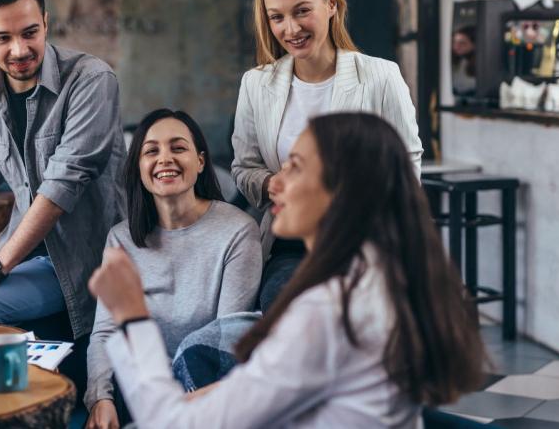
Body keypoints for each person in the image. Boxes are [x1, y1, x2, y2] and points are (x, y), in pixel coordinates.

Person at [89, 112, 485, 428]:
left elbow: (169, 420)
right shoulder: (378, 276)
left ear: (341, 189)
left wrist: (132, 315)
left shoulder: (328, 312)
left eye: (294, 167)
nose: (273, 185)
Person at [231, 0, 423, 311]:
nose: (291, 29)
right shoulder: (256, 85)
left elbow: (406, 164)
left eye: (302, 11)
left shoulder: (381, 77)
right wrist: (270, 183)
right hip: (291, 246)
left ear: (331, 4)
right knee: (287, 310)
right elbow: (244, 168)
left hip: (365, 239)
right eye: (277, 17)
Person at [0, 0, 127, 344]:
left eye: (30, 32)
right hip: (16, 259)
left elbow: (61, 186)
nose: (20, 50)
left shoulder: (92, 80)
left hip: (81, 260)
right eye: (2, 37)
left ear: (46, 22)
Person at [86, 109, 262, 429]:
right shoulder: (121, 238)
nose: (164, 158)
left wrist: (173, 410)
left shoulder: (238, 231)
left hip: (201, 393)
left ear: (200, 162)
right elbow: (105, 332)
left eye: (178, 148)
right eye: (151, 151)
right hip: (135, 389)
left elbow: (223, 343)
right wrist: (101, 398)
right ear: (139, 168)